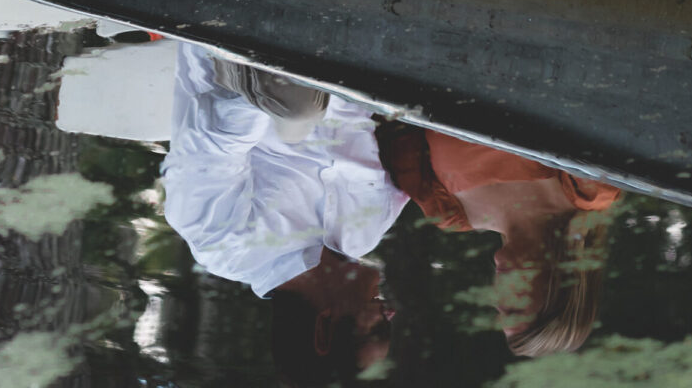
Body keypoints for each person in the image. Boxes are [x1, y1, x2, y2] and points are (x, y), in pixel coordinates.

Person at [163, 44, 408, 386]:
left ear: (324, 327)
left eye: (379, 330)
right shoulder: (365, 232)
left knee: (297, 111)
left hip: (246, 48)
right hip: (361, 56)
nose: (391, 314)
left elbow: (210, 138)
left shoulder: (223, 245)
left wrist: (297, 110)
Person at [375, 121, 620, 356]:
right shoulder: (590, 191)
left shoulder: (449, 212)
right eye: (515, 307)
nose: (498, 296)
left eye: (500, 310)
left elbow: (392, 124)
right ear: (562, 288)